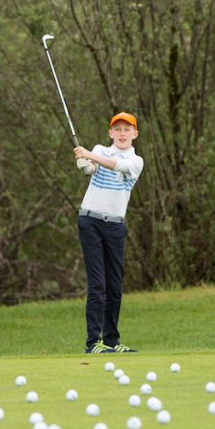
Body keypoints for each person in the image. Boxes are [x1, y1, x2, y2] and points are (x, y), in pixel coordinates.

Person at [73, 112, 144, 354]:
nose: (122, 133)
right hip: (90, 222)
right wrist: (84, 162)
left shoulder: (136, 162)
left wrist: (88, 155)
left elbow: (117, 165)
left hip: (115, 226)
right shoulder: (100, 150)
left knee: (114, 286)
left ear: (134, 134)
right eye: (118, 129)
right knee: (98, 285)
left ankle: (112, 341)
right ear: (110, 133)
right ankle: (93, 343)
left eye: (127, 129)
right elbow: (90, 169)